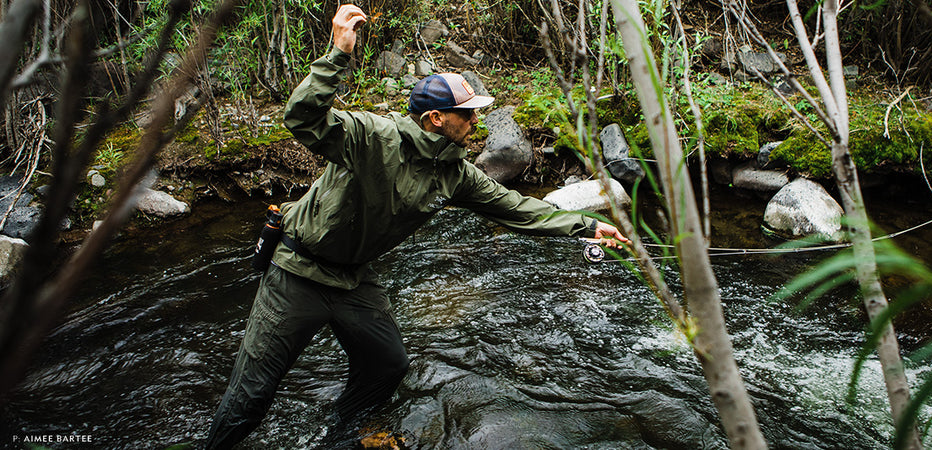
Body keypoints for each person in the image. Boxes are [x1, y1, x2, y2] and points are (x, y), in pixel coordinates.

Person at [203, 4, 629, 448]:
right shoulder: (372, 136)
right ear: (435, 119)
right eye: (467, 113)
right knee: (251, 396)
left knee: (388, 366)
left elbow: (515, 207)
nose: (476, 121)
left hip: (353, 280)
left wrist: (585, 227)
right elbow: (303, 119)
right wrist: (337, 55)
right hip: (296, 271)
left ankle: (341, 436)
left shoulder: (455, 173)